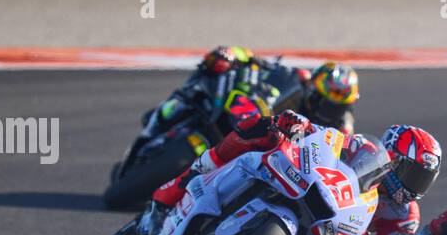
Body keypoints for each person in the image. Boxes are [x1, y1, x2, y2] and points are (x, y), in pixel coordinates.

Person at [150, 106, 441, 235]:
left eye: (422, 180)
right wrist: (300, 123)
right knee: (258, 128)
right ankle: (191, 176)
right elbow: (330, 139)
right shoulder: (364, 150)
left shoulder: (404, 216)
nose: (412, 186)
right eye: (411, 173)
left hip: (336, 232)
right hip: (314, 184)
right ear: (391, 157)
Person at [132, 47, 359, 160]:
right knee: (210, 75)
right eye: (322, 97)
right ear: (314, 88)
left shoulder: (342, 129)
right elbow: (263, 65)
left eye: (334, 104)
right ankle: (159, 120)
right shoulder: (298, 78)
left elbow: (333, 160)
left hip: (269, 154)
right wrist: (234, 54)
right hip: (251, 117)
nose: (326, 106)